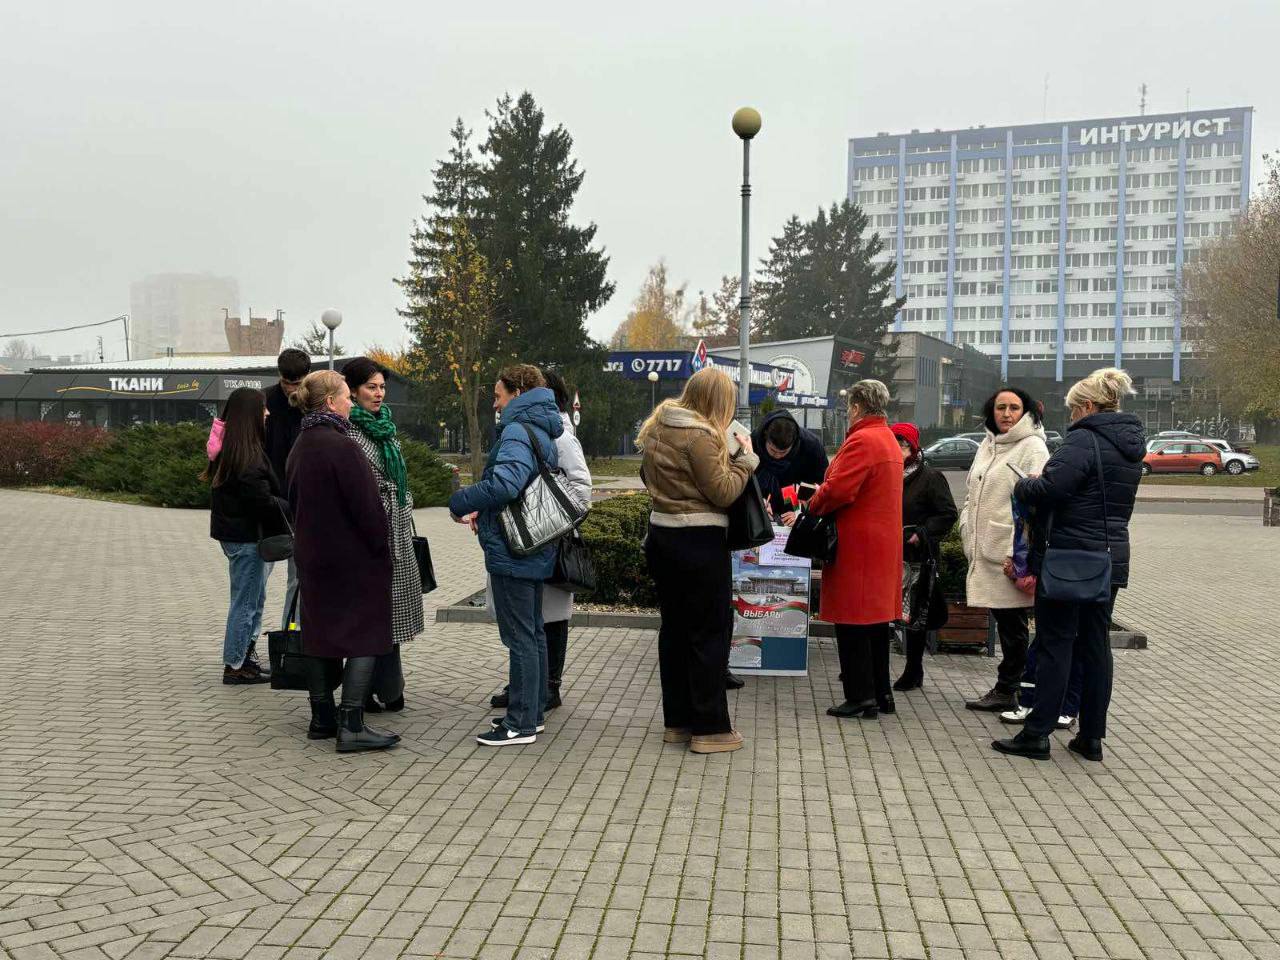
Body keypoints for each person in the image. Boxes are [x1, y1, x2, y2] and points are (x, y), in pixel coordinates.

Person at [993, 368, 1144, 762]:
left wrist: (1025, 483)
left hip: (1068, 557)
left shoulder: (1083, 439)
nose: (1072, 416)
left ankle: (1037, 733)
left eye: (1074, 409)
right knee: (1096, 647)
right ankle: (1091, 737)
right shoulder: (1130, 444)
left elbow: (1052, 489)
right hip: (1110, 557)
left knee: (1055, 644)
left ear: (1088, 406)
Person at [638, 366, 757, 754]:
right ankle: (710, 729)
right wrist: (746, 459)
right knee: (708, 634)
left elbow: (647, 476)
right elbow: (722, 492)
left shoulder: (659, 427)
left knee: (674, 632)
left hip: (662, 537)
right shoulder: (700, 436)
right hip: (699, 540)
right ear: (718, 401)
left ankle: (678, 722)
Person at [449, 364, 563, 747]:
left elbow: (506, 484)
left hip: (513, 547)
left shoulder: (516, 429)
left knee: (520, 637)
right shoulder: (541, 427)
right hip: (533, 544)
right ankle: (531, 714)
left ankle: (519, 724)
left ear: (518, 392)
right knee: (533, 632)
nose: (495, 405)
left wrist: (461, 500)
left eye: (498, 396)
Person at [287, 370, 400, 753]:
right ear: (331, 402)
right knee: (367, 633)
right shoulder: (342, 446)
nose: (351, 402)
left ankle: (322, 716)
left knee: (319, 633)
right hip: (353, 560)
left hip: (313, 557)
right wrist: (381, 549)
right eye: (346, 396)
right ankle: (351, 723)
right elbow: (368, 509)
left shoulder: (301, 443)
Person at [489, 369, 591, 712]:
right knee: (527, 621)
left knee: (550, 618)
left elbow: (581, 490)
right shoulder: (522, 430)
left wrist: (544, 521)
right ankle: (525, 683)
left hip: (548, 539)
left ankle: (549, 686)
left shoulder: (561, 437)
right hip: (522, 540)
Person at [808, 380, 903, 720]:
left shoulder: (862, 440)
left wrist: (814, 502)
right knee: (875, 623)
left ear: (857, 406)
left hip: (857, 544)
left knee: (852, 622)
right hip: (881, 544)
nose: (848, 411)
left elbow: (838, 490)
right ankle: (881, 693)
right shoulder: (887, 438)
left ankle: (860, 696)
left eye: (849, 405)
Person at [959, 386, 1051, 712]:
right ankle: (1009, 686)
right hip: (984, 548)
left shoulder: (1033, 447)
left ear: (1026, 412)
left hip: (1010, 554)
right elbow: (972, 491)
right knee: (1005, 620)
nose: (1007, 414)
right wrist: (966, 524)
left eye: (1014, 408)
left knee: (1012, 625)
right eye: (1001, 407)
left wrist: (1018, 552)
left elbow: (1035, 506)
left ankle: (1009, 688)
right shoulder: (988, 444)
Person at [344, 357, 423, 714]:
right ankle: (371, 689)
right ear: (352, 391)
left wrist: (404, 501)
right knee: (373, 616)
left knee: (391, 615)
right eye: (370, 387)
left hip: (397, 530)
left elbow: (399, 478)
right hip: (370, 533)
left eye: (382, 388)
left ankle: (390, 686)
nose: (378, 394)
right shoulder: (347, 431)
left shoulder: (385, 427)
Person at [206, 387, 289, 685]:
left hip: (236, 535)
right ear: (249, 415)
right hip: (247, 538)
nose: (267, 413)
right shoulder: (247, 457)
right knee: (246, 603)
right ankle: (236, 664)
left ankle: (244, 658)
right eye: (262, 408)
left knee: (251, 599)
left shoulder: (232, 448)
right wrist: (290, 506)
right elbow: (261, 501)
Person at [890, 422, 958, 692]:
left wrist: (923, 533)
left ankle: (913, 668)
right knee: (888, 611)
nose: (897, 448)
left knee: (914, 614)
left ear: (913, 447)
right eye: (893, 443)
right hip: (888, 554)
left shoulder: (930, 477)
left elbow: (947, 513)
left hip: (916, 557)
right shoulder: (885, 474)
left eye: (902, 444)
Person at [267, 349, 312, 631]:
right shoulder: (265, 402)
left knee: (298, 580)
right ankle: (249, 644)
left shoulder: (314, 404)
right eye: (287, 383)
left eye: (298, 384)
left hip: (303, 503)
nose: (292, 390)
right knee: (258, 580)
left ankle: (291, 637)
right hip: (270, 502)